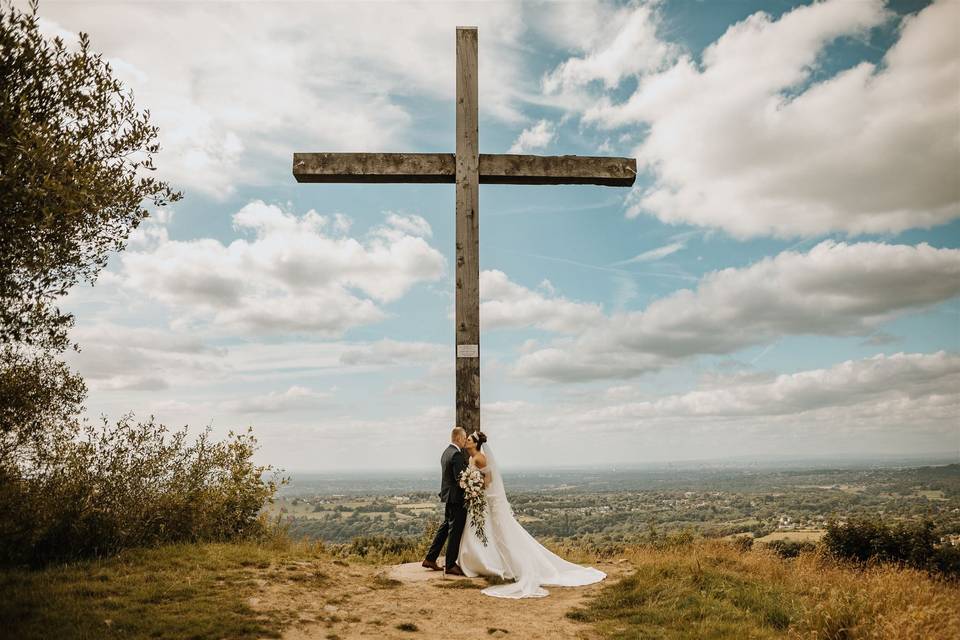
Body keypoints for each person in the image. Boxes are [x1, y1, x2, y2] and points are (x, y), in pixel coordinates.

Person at [457, 430, 606, 598]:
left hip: (484, 498)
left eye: (469, 439)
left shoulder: (480, 458)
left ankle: (488, 563)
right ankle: (479, 561)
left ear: (475, 443)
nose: (467, 440)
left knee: (491, 530)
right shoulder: (471, 457)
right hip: (477, 499)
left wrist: (475, 487)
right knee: (481, 529)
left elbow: (489, 480)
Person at [422, 426, 468, 575]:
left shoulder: (446, 452)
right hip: (457, 498)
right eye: (465, 438)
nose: (465, 441)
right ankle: (450, 564)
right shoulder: (456, 455)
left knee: (445, 527)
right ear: (459, 438)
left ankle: (430, 558)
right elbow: (461, 480)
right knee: (455, 531)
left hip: (448, 496)